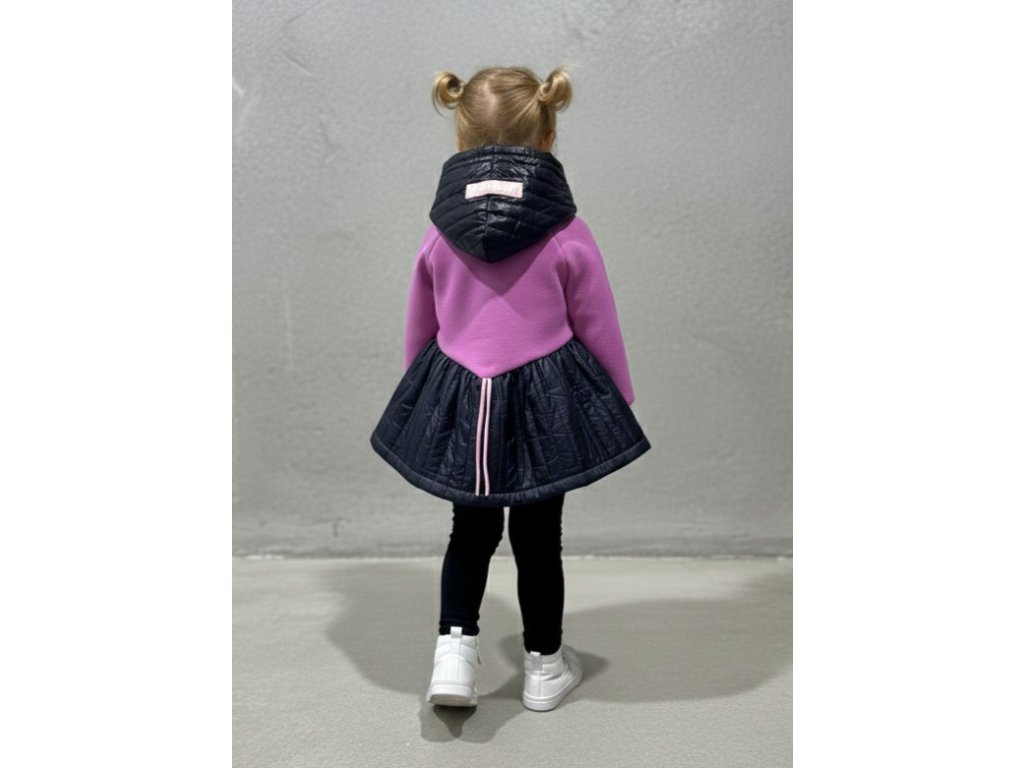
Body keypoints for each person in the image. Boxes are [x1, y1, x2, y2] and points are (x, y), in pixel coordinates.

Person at [369, 65, 651, 711]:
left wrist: (424, 399)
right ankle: (544, 666)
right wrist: (614, 398)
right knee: (538, 538)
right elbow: (597, 320)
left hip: (463, 397)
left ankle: (454, 657)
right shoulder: (566, 232)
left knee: (468, 532)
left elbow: (422, 324)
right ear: (547, 134)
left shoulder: (439, 233)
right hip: (546, 405)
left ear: (460, 137)